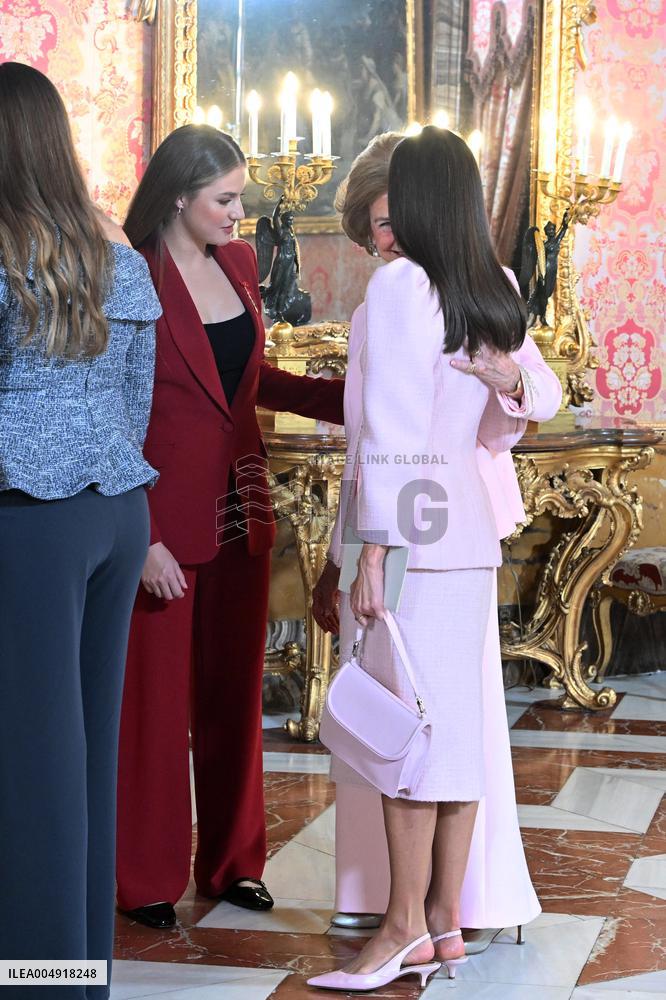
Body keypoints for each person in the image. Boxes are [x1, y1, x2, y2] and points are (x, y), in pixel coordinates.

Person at [308, 126, 560, 992]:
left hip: (411, 540)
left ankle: (400, 928)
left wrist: (374, 552)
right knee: (451, 739)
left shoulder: (401, 285)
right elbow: (525, 406)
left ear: (416, 196)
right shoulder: (485, 282)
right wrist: (507, 383)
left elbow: (394, 437)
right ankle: (445, 924)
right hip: (465, 542)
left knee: (406, 742)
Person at [116, 124, 344, 929]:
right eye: (225, 199)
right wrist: (139, 536)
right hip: (160, 527)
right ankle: (144, 877)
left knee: (233, 698)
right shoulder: (131, 278)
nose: (241, 213)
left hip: (242, 508)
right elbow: (113, 411)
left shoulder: (241, 266)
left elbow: (250, 382)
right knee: (151, 707)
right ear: (178, 196)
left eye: (241, 197)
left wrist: (353, 400)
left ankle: (234, 863)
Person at [0, 63, 161, 997]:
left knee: (32, 764)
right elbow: (136, 400)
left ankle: (37, 983)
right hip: (115, 512)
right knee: (84, 755)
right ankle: (77, 974)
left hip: (28, 517)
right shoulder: (119, 254)